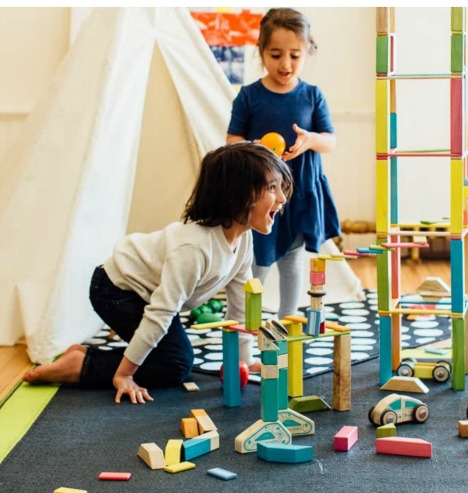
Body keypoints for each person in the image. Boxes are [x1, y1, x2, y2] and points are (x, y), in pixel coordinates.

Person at [23, 143, 292, 404]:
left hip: (150, 294)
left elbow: (239, 306)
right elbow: (161, 313)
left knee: (173, 355)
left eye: (280, 187)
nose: (281, 198)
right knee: (175, 364)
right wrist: (124, 375)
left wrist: (242, 361)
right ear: (236, 195)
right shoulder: (194, 249)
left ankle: (86, 356)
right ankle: (81, 365)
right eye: (271, 188)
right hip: (116, 288)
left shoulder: (243, 240)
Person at [226, 7, 340, 325]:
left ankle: (288, 319)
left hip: (300, 193)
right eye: (276, 55)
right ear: (261, 52)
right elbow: (231, 140)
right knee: (257, 261)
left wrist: (309, 140)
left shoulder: (312, 95)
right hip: (260, 195)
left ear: (307, 52)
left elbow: (329, 141)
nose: (285, 64)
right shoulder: (249, 96)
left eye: (295, 55)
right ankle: (244, 320)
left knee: (292, 261)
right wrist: (254, 146)